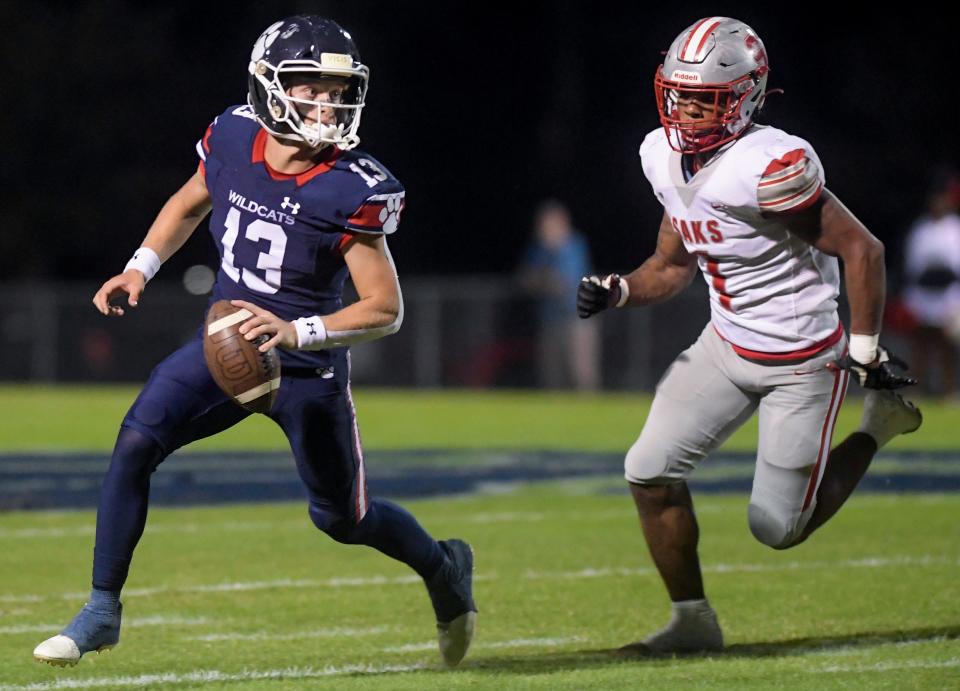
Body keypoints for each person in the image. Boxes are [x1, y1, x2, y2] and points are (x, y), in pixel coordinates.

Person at [33, 16, 476, 668]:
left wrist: (298, 331)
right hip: (229, 344)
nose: (328, 103)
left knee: (342, 519)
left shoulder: (350, 184)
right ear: (270, 86)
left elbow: (385, 307)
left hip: (306, 367)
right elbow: (191, 200)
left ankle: (443, 567)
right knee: (135, 441)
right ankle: (102, 608)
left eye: (338, 89)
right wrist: (140, 266)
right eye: (312, 88)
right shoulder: (236, 135)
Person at [577, 16, 922, 653]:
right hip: (726, 345)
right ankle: (693, 622)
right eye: (678, 93)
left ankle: (878, 425)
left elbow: (864, 251)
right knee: (647, 471)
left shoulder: (769, 164)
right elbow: (673, 265)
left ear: (745, 98)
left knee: (777, 529)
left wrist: (865, 351)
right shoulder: (661, 153)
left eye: (705, 99)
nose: (686, 109)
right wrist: (619, 289)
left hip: (803, 361)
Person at [519, 199, 600, 389]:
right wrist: (545, 280)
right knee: (552, 374)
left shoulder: (574, 245)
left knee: (581, 372)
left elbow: (565, 282)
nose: (545, 229)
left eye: (549, 224)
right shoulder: (539, 250)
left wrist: (544, 280)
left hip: (578, 319)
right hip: (550, 320)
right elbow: (525, 280)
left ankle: (588, 413)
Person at [902, 169, 960, 397]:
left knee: (947, 348)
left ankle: (949, 390)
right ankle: (917, 390)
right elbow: (913, 268)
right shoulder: (921, 229)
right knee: (921, 347)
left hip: (948, 294)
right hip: (923, 295)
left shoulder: (955, 228)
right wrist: (910, 299)